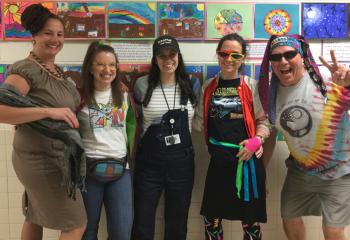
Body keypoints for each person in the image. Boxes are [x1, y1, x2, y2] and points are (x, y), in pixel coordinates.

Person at [0, 4, 86, 239]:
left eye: (60, 34)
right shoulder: (26, 70)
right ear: (35, 35)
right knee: (76, 223)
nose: (55, 39)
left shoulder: (54, 69)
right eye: (48, 33)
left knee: (35, 215)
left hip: (55, 156)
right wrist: (47, 112)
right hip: (41, 160)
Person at [258, 34, 350, 240]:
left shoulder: (327, 80)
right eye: (276, 57)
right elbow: (271, 135)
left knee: (333, 230)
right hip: (300, 171)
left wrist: (347, 86)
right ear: (270, 62)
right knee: (289, 217)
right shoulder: (270, 94)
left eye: (289, 54)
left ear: (301, 57)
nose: (283, 61)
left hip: (339, 170)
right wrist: (260, 173)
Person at [193, 33, 270, 240]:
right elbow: (198, 122)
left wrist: (257, 140)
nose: (229, 59)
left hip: (247, 163)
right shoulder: (208, 86)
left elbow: (265, 121)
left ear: (243, 58)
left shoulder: (251, 86)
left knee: (251, 222)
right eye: (224, 54)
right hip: (218, 163)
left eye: (235, 55)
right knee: (212, 220)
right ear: (217, 55)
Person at [132, 35, 197, 240]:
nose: (168, 60)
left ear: (178, 56)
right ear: (155, 59)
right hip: (148, 164)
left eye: (172, 54)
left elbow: (201, 120)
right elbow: (134, 123)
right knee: (142, 222)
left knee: (177, 224)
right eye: (162, 55)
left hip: (182, 164)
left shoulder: (192, 84)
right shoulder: (142, 85)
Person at [77, 41, 137, 240]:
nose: (107, 69)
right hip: (88, 173)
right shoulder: (78, 96)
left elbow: (132, 127)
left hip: (120, 171)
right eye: (100, 64)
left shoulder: (124, 94)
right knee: (88, 231)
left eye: (112, 65)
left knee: (122, 232)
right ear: (90, 68)